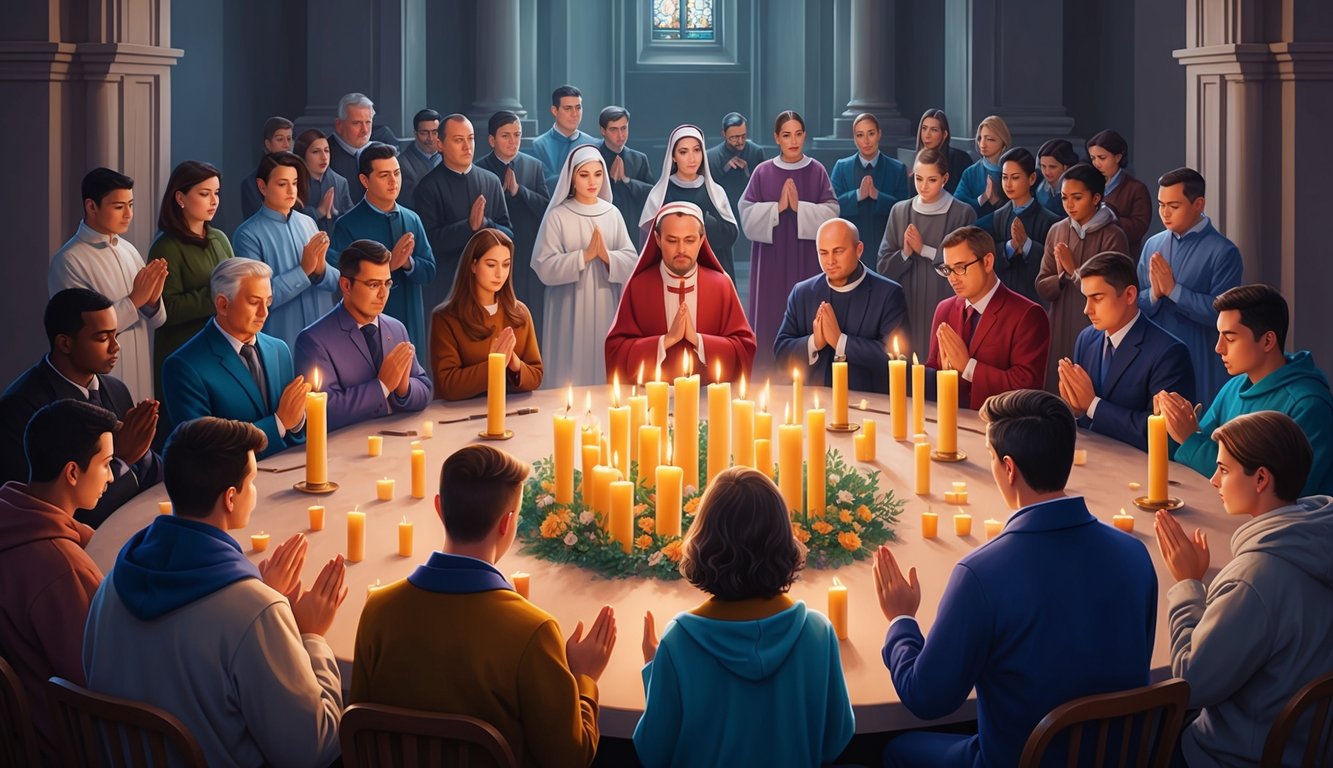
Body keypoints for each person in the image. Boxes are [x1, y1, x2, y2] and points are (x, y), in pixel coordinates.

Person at [877, 389, 1157, 767]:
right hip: (1119, 756)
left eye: (991, 458)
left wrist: (901, 620)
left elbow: (926, 697)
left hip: (1019, 760)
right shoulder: (1135, 555)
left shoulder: (981, 575)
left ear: (1009, 468)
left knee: (895, 751)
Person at [83, 417, 347, 768]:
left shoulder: (111, 585)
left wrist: (262, 597)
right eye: (252, 481)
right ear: (231, 497)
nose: (255, 491)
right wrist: (311, 636)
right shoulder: (254, 612)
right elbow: (314, 750)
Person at [352, 444, 614, 765]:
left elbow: (361, 728)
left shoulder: (378, 610)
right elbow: (570, 758)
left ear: (439, 508)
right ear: (506, 523)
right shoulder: (533, 631)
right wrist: (583, 679)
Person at [634, 466, 854, 766]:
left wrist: (654, 669)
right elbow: (835, 739)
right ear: (783, 540)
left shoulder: (679, 642)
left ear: (703, 543)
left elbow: (653, 753)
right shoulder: (817, 632)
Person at [1155, 411, 1333, 768]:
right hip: (1307, 747)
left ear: (1261, 478)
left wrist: (1189, 583)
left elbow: (1190, 685)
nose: (1212, 480)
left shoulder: (1255, 578)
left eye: (1223, 469)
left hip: (1238, 754)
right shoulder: (1317, 539)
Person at [0, 399, 115, 761]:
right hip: (70, 740)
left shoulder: (13, 518)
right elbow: (104, 676)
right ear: (71, 472)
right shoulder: (62, 570)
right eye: (107, 464)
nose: (112, 477)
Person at [0, 289, 161, 527]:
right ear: (65, 343)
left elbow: (148, 468)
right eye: (102, 338)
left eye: (115, 335)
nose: (115, 347)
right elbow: (43, 510)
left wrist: (141, 455)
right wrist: (123, 459)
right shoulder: (20, 407)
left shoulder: (117, 390)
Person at [1159, 284, 1333, 496]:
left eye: (1230, 338)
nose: (1218, 348)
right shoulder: (1234, 387)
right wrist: (1169, 423)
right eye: (1219, 335)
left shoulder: (1308, 405)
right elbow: (1191, 450)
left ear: (1268, 340)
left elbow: (1285, 497)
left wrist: (1189, 439)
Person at [163, 258, 309, 458]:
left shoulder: (279, 350)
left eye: (268, 302)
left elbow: (296, 435)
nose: (264, 312)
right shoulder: (183, 366)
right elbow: (203, 452)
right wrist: (279, 424)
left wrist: (298, 419)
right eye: (254, 302)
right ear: (223, 305)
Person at [49, 167, 168, 402]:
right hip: (102, 378)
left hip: (141, 370)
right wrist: (135, 300)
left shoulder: (129, 250)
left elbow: (157, 321)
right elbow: (80, 331)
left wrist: (152, 301)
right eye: (118, 206)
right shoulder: (69, 260)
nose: (128, 214)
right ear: (91, 206)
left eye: (131, 205)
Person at [606, 201, 756, 385]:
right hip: (652, 400)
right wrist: (666, 341)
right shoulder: (639, 286)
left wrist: (698, 340)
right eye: (672, 240)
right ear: (657, 239)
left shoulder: (721, 285)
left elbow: (743, 348)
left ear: (701, 240)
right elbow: (617, 350)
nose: (681, 250)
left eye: (689, 240)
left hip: (706, 398)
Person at [1059, 252, 1194, 451]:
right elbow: (1082, 420)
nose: (1087, 309)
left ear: (1130, 295)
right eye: (1086, 298)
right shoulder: (1086, 339)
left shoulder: (1170, 353)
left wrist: (1092, 405)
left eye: (1097, 298)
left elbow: (1167, 436)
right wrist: (1074, 409)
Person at [738, 110, 839, 368]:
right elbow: (746, 215)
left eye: (797, 134)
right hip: (771, 259)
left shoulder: (816, 171)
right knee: (772, 313)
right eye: (786, 135)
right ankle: (768, 367)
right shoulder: (763, 172)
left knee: (806, 311)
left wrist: (801, 208)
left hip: (806, 256)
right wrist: (778, 207)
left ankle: (808, 364)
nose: (793, 141)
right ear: (776, 138)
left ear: (804, 135)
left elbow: (832, 213)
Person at [294, 240, 431, 431]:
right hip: (347, 453)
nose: (383, 294)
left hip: (400, 442)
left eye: (387, 283)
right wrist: (382, 386)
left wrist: (404, 389)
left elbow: (425, 388)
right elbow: (324, 411)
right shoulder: (313, 340)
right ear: (346, 285)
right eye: (373, 285)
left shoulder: (396, 327)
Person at [532, 145, 636, 386]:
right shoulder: (558, 215)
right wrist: (584, 256)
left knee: (602, 365)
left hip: (604, 301)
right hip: (567, 304)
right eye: (584, 175)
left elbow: (631, 260)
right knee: (568, 365)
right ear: (572, 178)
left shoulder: (612, 213)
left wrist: (607, 257)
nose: (592, 182)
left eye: (598, 174)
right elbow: (543, 265)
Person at [1138, 167, 1242, 407]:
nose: (1164, 213)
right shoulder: (1153, 245)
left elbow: (1222, 312)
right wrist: (1154, 294)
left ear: (1199, 204)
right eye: (1161, 205)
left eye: (1173, 206)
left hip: (1201, 354)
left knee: (1198, 423)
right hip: (1155, 356)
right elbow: (1137, 302)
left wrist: (1174, 291)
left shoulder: (1224, 252)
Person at [775, 218, 906, 394]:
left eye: (838, 251)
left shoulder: (889, 293)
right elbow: (781, 352)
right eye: (823, 253)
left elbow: (897, 358)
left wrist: (840, 341)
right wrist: (814, 342)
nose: (830, 261)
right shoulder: (802, 292)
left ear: (859, 249)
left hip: (870, 404)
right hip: (814, 403)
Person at [332, 141, 436, 361]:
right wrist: (389, 266)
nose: (393, 182)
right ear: (364, 180)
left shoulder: (411, 218)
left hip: (410, 317)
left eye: (397, 173)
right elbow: (341, 282)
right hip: (366, 325)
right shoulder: (347, 225)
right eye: (384, 175)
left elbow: (429, 270)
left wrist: (408, 264)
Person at [926, 227, 1049, 409]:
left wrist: (968, 367)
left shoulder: (1028, 315)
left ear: (987, 262)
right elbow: (933, 368)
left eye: (960, 268)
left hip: (1000, 429)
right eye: (947, 269)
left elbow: (1027, 388)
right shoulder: (944, 309)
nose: (952, 278)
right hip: (947, 421)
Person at [231, 152, 339, 349]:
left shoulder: (308, 223)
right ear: (262, 186)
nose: (291, 190)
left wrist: (321, 270)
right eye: (282, 184)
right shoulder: (247, 234)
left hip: (324, 339)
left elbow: (334, 284)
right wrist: (303, 271)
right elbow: (257, 298)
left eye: (295, 182)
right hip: (282, 341)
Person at [1036, 163, 1129, 390]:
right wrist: (1060, 278)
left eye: (1077, 198)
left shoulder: (1113, 235)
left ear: (1096, 198)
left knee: (1090, 392)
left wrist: (1074, 270)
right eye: (1065, 197)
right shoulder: (1057, 230)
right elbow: (1041, 284)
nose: (1069, 205)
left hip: (1097, 327)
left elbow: (1114, 290)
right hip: (1058, 324)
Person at [878, 148, 977, 362]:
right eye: (919, 178)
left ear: (945, 178)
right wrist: (905, 252)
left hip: (946, 302)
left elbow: (967, 266)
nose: (923, 186)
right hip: (906, 306)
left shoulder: (961, 213)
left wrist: (924, 250)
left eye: (932, 180)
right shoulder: (900, 211)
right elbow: (882, 266)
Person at [150, 160, 234, 398]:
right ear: (180, 198)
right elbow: (169, 309)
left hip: (221, 348)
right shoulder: (166, 246)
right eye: (204, 194)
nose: (214, 201)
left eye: (216, 193)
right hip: (183, 350)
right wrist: (221, 296)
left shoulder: (220, 238)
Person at [415, 114, 513, 315]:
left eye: (471, 138)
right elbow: (429, 243)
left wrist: (485, 223)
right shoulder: (427, 187)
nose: (467, 146)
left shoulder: (491, 181)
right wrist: (469, 227)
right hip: (447, 291)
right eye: (459, 140)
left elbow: (509, 235)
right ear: (440, 144)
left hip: (490, 289)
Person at [431, 228, 543, 399]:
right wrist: (496, 364)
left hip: (513, 414)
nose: (500, 273)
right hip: (460, 418)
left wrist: (514, 363)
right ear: (473, 265)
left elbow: (536, 376)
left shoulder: (520, 313)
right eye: (491, 265)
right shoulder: (446, 318)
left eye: (506, 264)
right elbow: (447, 385)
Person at [477, 110, 551, 342]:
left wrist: (520, 192)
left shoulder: (533, 166)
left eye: (517, 135)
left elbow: (547, 209)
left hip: (528, 248)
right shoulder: (480, 169)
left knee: (528, 309)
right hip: (494, 250)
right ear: (492, 140)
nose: (513, 142)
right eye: (505, 136)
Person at [638, 124, 740, 281]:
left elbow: (730, 235)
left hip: (709, 276)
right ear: (673, 157)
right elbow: (649, 244)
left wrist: (705, 223)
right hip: (670, 276)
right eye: (683, 152)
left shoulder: (715, 191)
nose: (692, 158)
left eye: (697, 150)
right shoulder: (660, 194)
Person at [976, 147, 1059, 308]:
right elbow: (985, 257)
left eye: (1015, 178)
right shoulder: (997, 217)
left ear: (1032, 178)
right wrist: (1009, 247)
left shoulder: (1050, 221)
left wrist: (1027, 244)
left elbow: (1052, 267)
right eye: (1004, 177)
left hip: (1036, 303)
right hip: (1001, 300)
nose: (1008, 184)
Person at [830, 113, 910, 273]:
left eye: (871, 133)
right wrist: (858, 195)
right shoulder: (841, 167)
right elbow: (832, 207)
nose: (866, 141)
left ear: (879, 134)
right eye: (860, 135)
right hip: (850, 246)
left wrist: (877, 196)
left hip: (886, 245)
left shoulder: (897, 168)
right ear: (854, 138)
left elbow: (904, 210)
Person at [596, 106, 655, 249]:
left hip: (632, 228)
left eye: (624, 128)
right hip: (599, 225)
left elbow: (653, 194)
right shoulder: (592, 156)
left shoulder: (639, 158)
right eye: (614, 129)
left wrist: (627, 181)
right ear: (603, 131)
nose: (620, 135)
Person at [1086, 129, 1152, 257]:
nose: (1096, 164)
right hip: (1091, 256)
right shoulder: (1088, 185)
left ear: (1118, 157)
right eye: (1093, 158)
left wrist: (1108, 217)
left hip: (1122, 257)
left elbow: (1139, 227)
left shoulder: (1136, 189)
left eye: (1102, 158)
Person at [328, 92, 398, 203]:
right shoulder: (325, 155)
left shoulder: (381, 151)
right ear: (339, 125)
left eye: (368, 122)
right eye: (357, 123)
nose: (365, 130)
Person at [529, 84, 598, 193]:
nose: (574, 114)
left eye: (578, 107)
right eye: (568, 108)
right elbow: (542, 186)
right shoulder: (538, 145)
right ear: (554, 111)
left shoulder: (595, 145)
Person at [294, 128, 353, 234]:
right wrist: (318, 212)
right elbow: (287, 218)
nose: (324, 157)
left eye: (326, 150)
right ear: (302, 155)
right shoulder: (292, 183)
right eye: (316, 152)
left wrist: (336, 213)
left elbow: (350, 219)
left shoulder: (340, 182)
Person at [954, 115, 1011, 216]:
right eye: (980, 138)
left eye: (989, 139)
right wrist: (983, 198)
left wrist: (997, 201)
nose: (982, 144)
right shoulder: (970, 173)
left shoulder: (1014, 170)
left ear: (1003, 142)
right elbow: (957, 206)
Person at [239, 116, 294, 220]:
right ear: (268, 144)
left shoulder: (300, 175)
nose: (287, 145)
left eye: (289, 139)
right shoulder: (250, 184)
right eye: (280, 139)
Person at [914, 108, 973, 194]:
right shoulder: (918, 161)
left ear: (944, 134)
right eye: (924, 128)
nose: (927, 135)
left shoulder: (960, 159)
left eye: (934, 130)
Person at [398, 108, 442, 205]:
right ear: (415, 134)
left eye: (435, 133)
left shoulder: (449, 155)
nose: (430, 139)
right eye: (424, 133)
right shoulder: (402, 164)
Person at [1035, 139, 1078, 219]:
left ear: (1065, 166)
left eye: (1052, 167)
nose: (1047, 172)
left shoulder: (1075, 188)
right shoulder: (1040, 187)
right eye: (1043, 166)